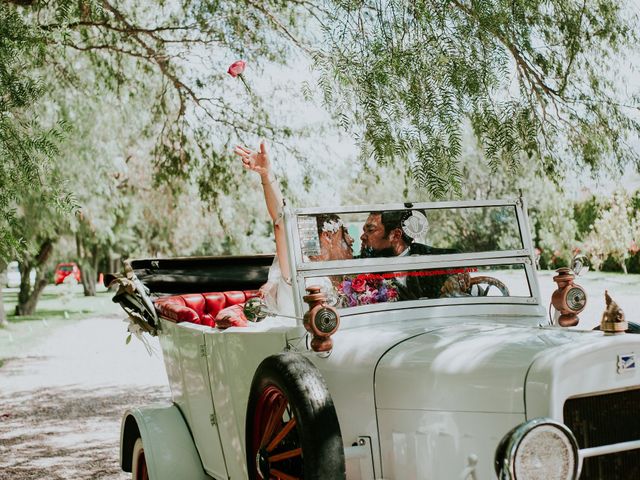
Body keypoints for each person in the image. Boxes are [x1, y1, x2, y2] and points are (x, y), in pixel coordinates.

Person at [234, 141, 353, 315]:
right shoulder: (301, 273)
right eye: (344, 235)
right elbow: (282, 222)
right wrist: (267, 176)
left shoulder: (343, 279)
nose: (351, 240)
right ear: (327, 237)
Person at [360, 210, 458, 299]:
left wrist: (458, 278)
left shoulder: (439, 261)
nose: (362, 237)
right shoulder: (362, 269)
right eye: (364, 230)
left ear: (396, 235)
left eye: (370, 230)